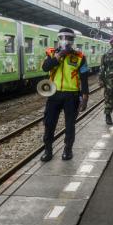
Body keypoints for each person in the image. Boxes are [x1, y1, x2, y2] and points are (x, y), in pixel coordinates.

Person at [41, 28, 89, 161]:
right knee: (49, 123)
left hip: (72, 96)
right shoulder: (51, 54)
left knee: (70, 125)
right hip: (54, 95)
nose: (66, 40)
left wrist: (85, 98)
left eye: (69, 38)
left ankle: (67, 150)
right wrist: (60, 55)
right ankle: (48, 151)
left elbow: (84, 78)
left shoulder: (80, 57)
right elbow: (45, 67)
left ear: (73, 40)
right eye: (62, 37)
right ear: (58, 38)